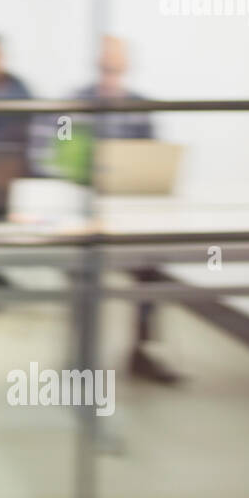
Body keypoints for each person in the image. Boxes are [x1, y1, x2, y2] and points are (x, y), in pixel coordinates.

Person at [73, 35, 180, 384]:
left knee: (151, 265)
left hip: (129, 207)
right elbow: (62, 160)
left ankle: (141, 351)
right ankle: (80, 357)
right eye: (107, 54)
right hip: (85, 207)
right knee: (83, 269)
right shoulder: (78, 101)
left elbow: (147, 160)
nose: (113, 61)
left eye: (118, 55)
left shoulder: (140, 105)